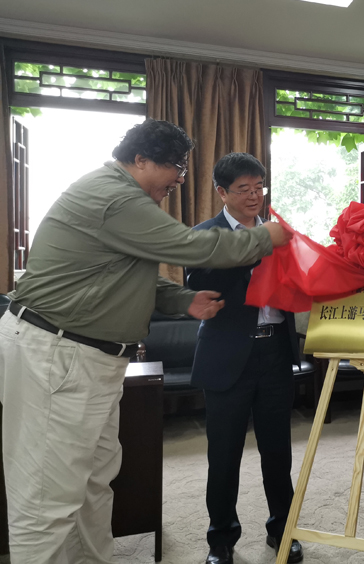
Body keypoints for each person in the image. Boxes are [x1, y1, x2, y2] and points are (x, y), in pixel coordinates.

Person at [0, 119, 291, 564]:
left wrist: (185, 300)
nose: (180, 179)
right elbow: (190, 246)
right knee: (46, 500)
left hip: (90, 359)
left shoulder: (122, 197)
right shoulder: (115, 197)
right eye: (176, 167)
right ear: (140, 160)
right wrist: (263, 237)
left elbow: (133, 279)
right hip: (58, 354)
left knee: (94, 483)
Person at [186, 153, 303, 564]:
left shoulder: (280, 233)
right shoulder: (204, 235)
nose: (254, 196)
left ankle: (283, 531)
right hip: (227, 354)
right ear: (222, 192)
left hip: (274, 352)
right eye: (243, 189)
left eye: (259, 187)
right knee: (223, 454)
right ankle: (221, 540)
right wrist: (254, 248)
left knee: (278, 451)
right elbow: (197, 281)